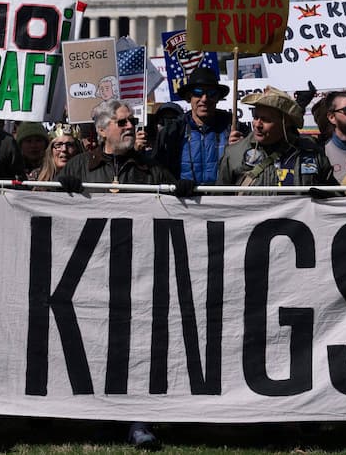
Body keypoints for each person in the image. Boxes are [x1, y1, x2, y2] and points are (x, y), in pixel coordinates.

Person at [56, 98, 181, 451]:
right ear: (101, 130)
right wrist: (60, 193)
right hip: (90, 275)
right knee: (96, 345)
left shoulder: (150, 170)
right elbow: (46, 210)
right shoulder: (79, 167)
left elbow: (177, 205)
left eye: (131, 121)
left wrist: (185, 193)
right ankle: (102, 416)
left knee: (138, 345)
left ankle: (138, 419)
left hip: (139, 272)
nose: (130, 127)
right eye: (122, 122)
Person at [216, 87, 336, 189]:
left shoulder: (311, 152)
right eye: (255, 117)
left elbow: (332, 197)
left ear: (286, 122)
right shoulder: (234, 153)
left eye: (266, 119)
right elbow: (219, 203)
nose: (257, 124)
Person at [153, 67, 241, 185]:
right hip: (185, 200)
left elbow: (248, 166)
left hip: (224, 200)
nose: (204, 99)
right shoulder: (173, 131)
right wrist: (177, 184)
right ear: (189, 97)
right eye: (198, 93)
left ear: (217, 98)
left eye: (211, 94)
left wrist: (241, 149)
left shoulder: (233, 127)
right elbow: (158, 168)